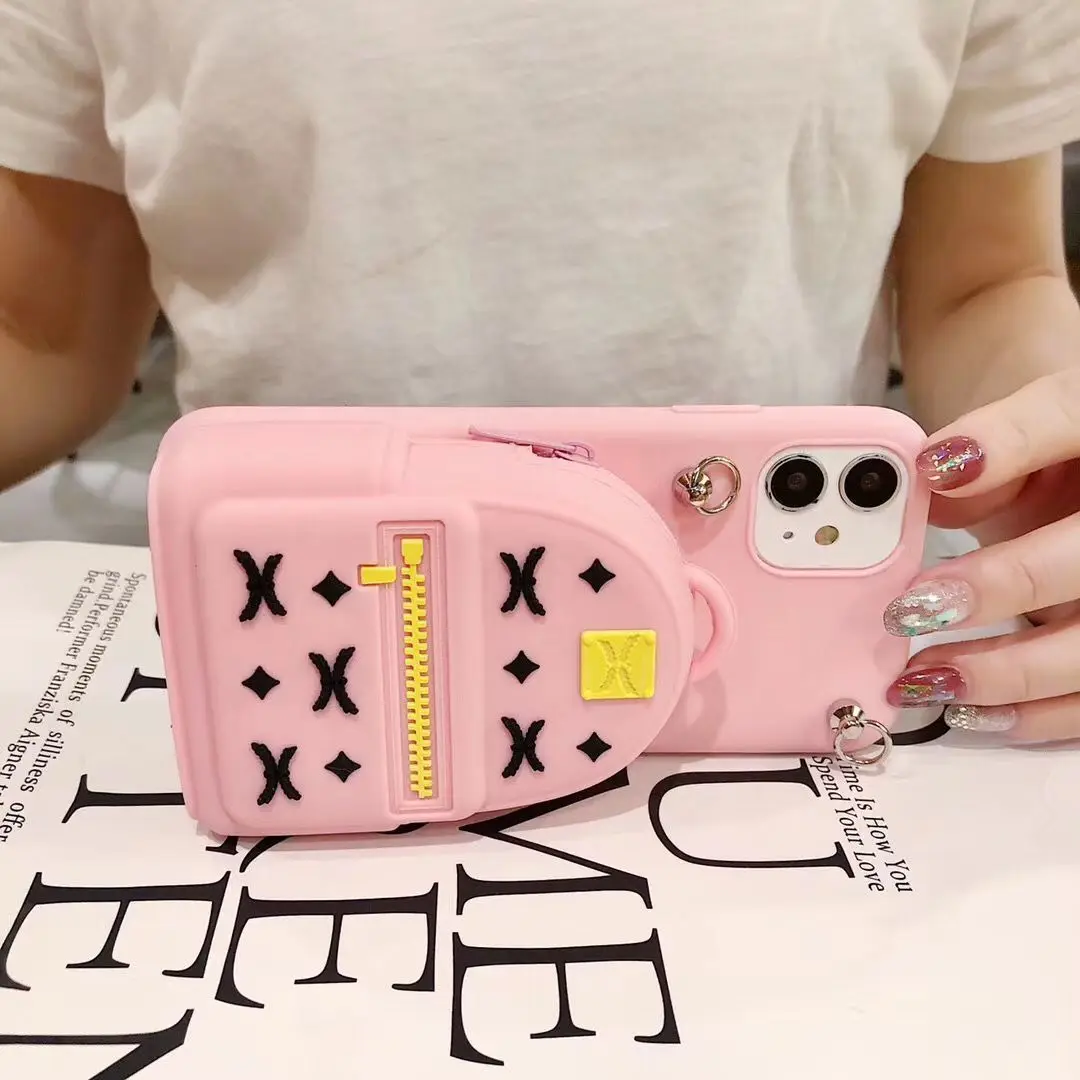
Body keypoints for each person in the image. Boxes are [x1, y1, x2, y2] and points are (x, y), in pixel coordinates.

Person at [1, 1, 1079, 741]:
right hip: (292, 667)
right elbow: (39, 337)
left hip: (776, 680)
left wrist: (1050, 442)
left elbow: (984, 284)